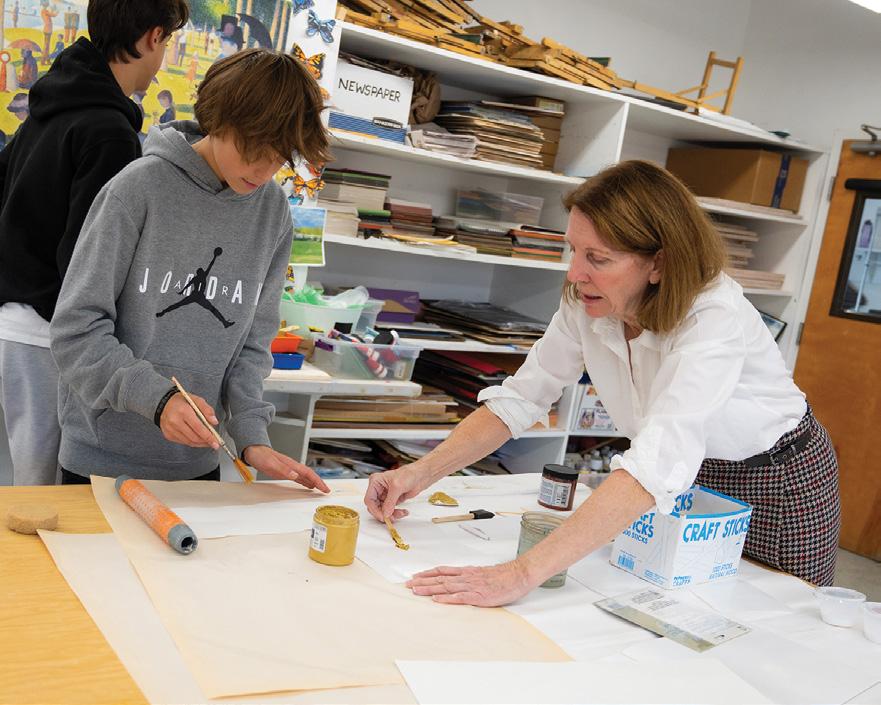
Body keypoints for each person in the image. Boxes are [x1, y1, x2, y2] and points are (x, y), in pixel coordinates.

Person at [364, 160, 841, 605]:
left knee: (781, 615)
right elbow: (520, 399)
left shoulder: (712, 317)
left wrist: (520, 574)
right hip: (680, 473)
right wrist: (418, 474)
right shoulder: (587, 300)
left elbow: (657, 462)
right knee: (672, 605)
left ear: (660, 263)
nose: (575, 274)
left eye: (598, 258)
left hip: (774, 480)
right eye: (574, 250)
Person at [50, 48, 333, 489]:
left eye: (279, 156)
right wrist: (158, 400)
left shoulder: (273, 212)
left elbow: (253, 345)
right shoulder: (137, 189)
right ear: (218, 119)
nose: (264, 169)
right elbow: (75, 331)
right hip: (101, 462)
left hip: (198, 466)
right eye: (253, 148)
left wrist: (251, 436)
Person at [0, 0, 189, 486]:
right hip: (50, 336)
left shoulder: (48, 107)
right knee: (47, 499)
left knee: (21, 489)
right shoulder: (109, 133)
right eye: (168, 40)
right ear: (153, 37)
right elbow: (89, 261)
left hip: (14, 323)